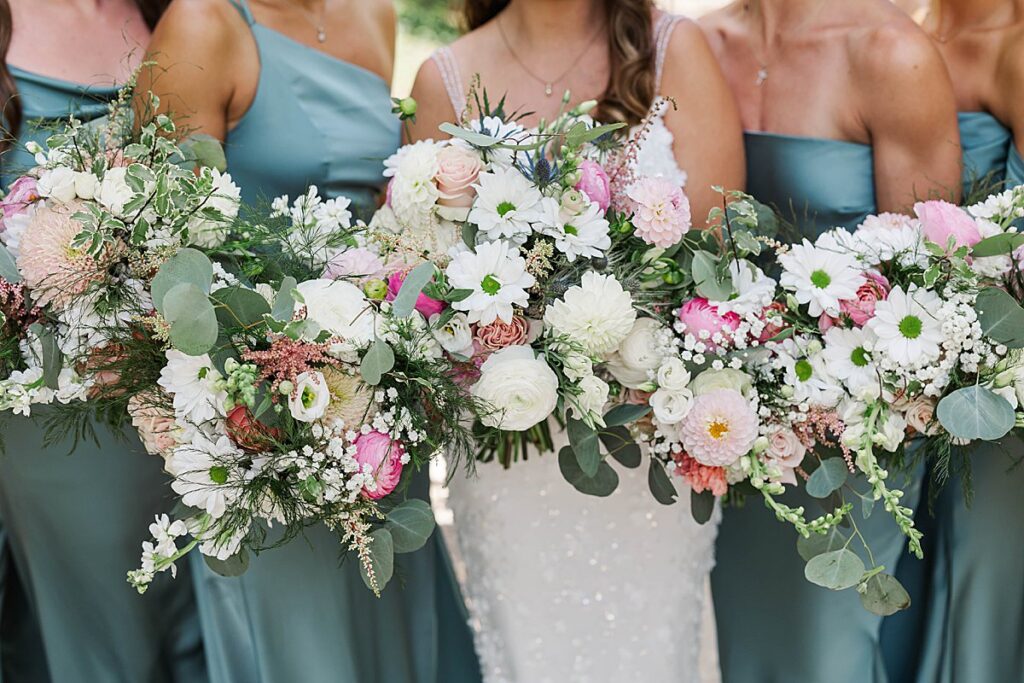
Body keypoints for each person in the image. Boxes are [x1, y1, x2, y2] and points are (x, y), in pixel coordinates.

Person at [139, 2, 482, 681]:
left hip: (377, 406)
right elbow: (165, 261)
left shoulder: (372, 15)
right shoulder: (202, 25)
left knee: (391, 634)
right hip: (265, 423)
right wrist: (284, 382)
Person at [407, 1, 744, 680]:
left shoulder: (678, 50)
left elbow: (722, 264)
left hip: (648, 437)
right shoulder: (442, 78)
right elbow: (427, 272)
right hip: (508, 444)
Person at [699, 1, 961, 682]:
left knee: (827, 656)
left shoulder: (890, 55)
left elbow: (929, 295)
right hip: (723, 424)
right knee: (750, 649)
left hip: (853, 448)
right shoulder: (696, 45)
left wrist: (826, 409)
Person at [0, 1, 207, 682]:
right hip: (58, 407)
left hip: (182, 382)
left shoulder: (174, 13)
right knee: (110, 632)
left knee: (199, 611)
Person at [895, 2, 1024, 680]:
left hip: (1001, 400)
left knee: (981, 604)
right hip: (903, 392)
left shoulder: (1016, 47)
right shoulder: (904, 36)